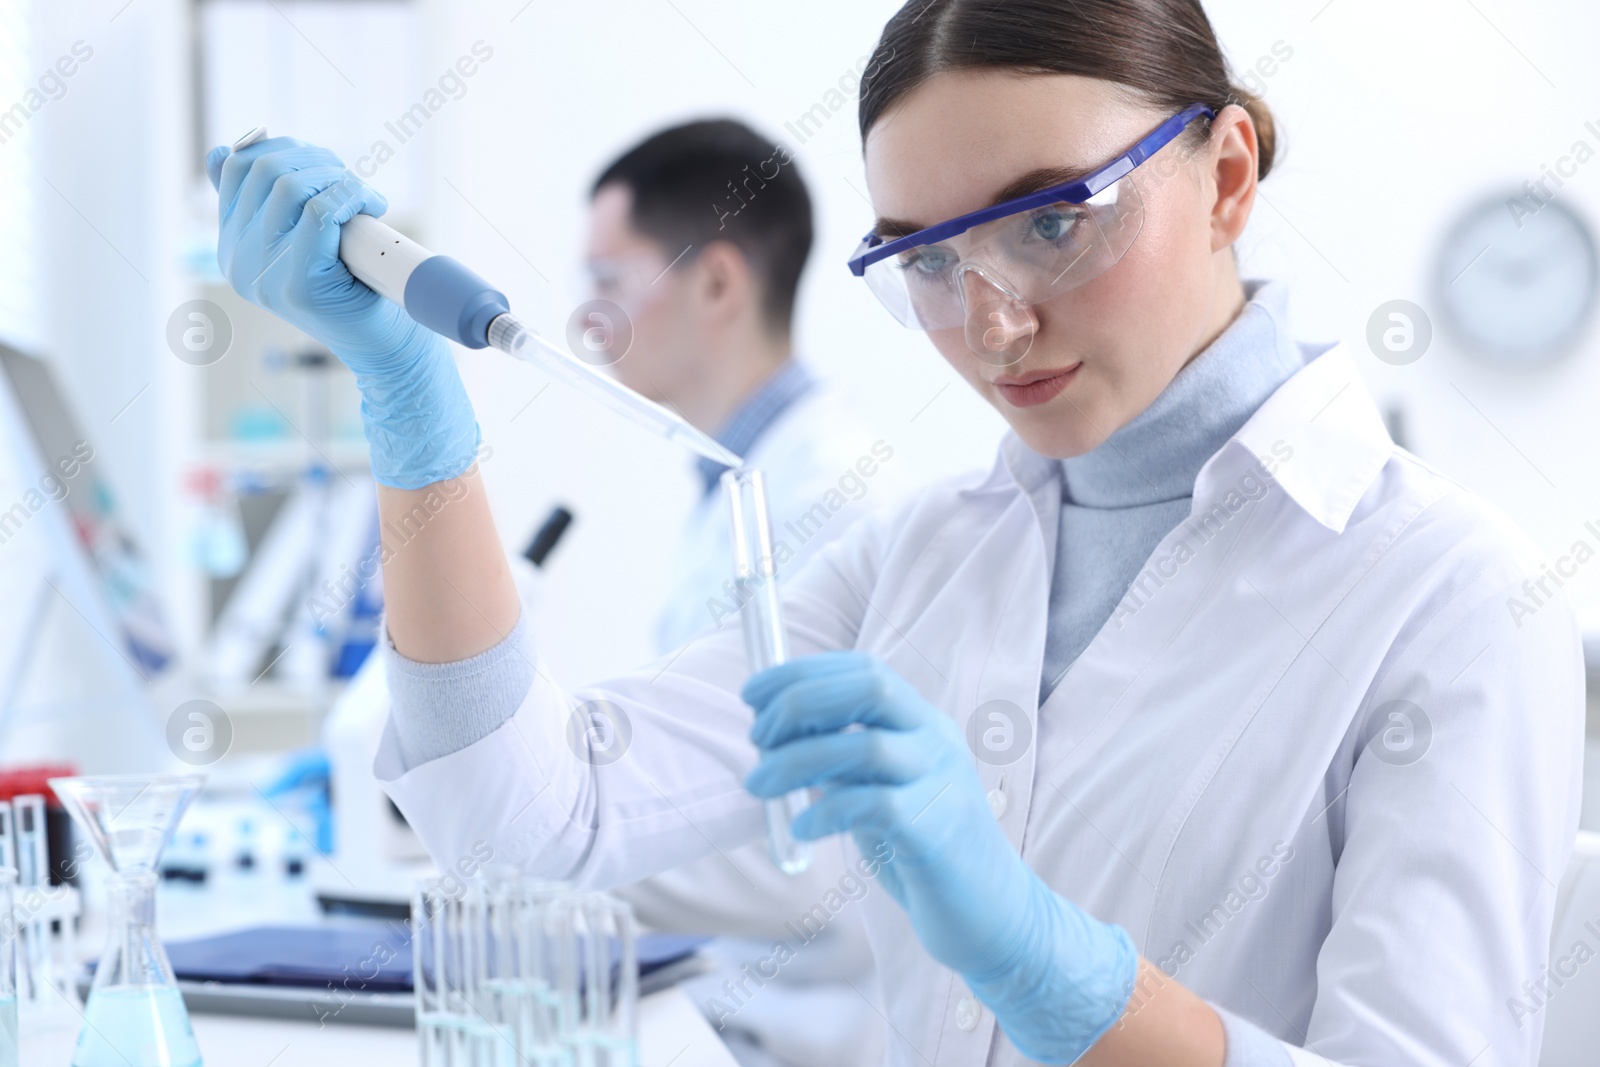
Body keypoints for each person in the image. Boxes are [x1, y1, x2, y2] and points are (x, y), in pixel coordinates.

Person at [204, 0, 1583, 1063]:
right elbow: (525, 818)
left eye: (1053, 222)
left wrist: (1051, 962)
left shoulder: (1451, 593)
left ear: (1227, 174)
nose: (990, 325)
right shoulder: (919, 559)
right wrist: (409, 401)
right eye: (926, 258)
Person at [580, 119, 902, 1067]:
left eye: (607, 281)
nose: (588, 318)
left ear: (716, 281)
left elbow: (804, 857)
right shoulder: (741, 480)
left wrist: (551, 837)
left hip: (806, 1029)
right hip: (732, 1002)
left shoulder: (832, 500)